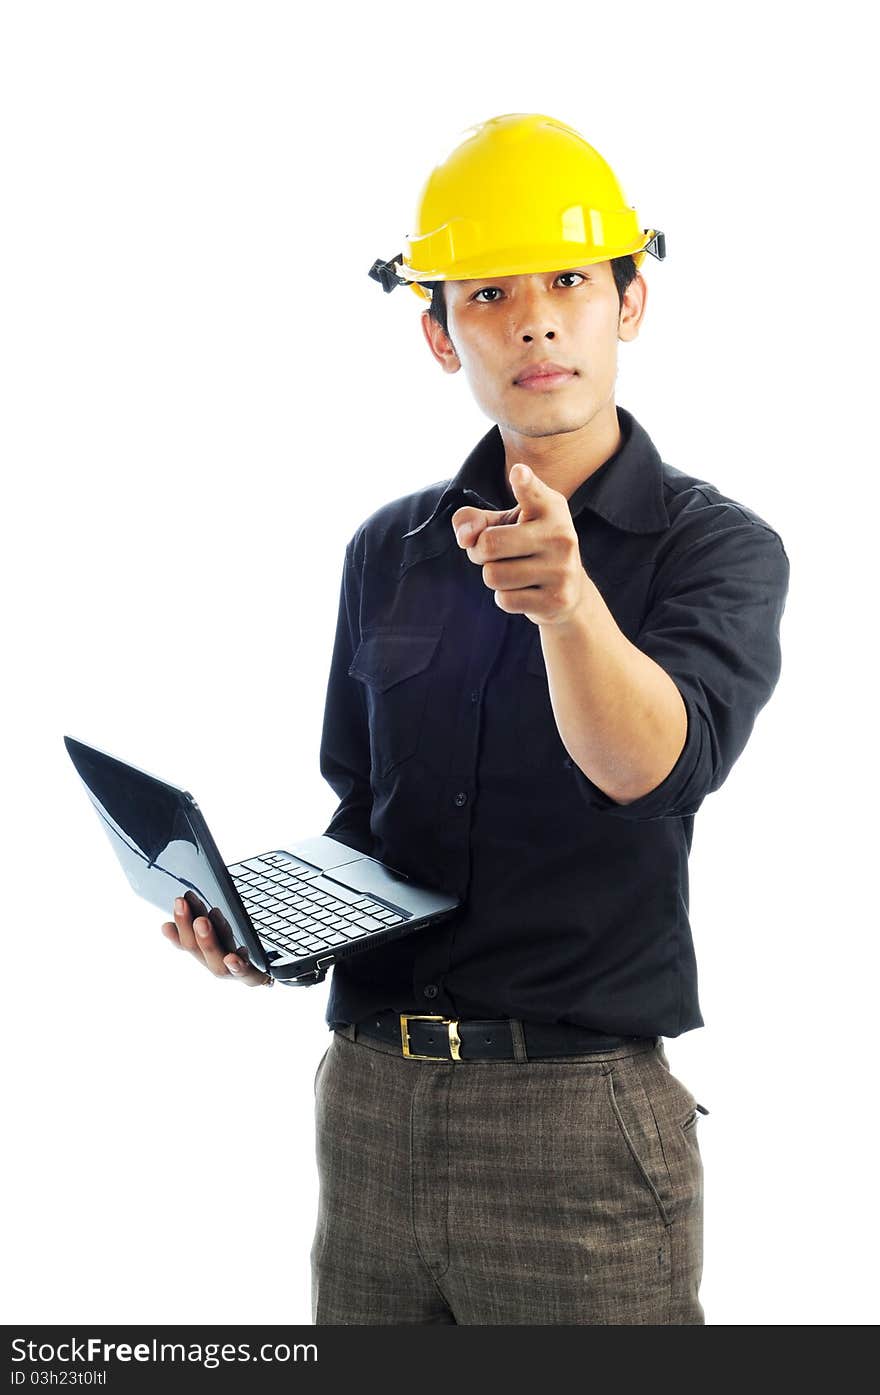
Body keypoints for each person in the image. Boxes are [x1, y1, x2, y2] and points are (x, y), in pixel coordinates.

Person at [162, 112, 790, 1325]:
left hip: (575, 1130)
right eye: (490, 292)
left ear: (630, 304)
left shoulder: (717, 549)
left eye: (567, 280)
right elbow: (370, 810)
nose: (536, 320)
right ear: (439, 332)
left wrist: (570, 615)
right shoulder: (388, 549)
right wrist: (267, 921)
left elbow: (653, 770)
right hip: (369, 1111)